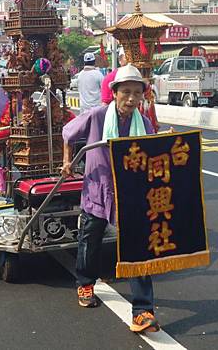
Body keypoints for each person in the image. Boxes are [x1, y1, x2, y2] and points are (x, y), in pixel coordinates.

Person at [61, 64, 160, 333]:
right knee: (89, 241)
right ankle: (85, 282)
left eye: (136, 93)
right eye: (125, 92)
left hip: (130, 192)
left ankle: (143, 311)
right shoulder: (96, 116)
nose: (130, 98)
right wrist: (67, 160)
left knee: (138, 247)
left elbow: (152, 157)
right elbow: (68, 133)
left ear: (142, 96)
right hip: (98, 189)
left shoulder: (145, 123)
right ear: (114, 92)